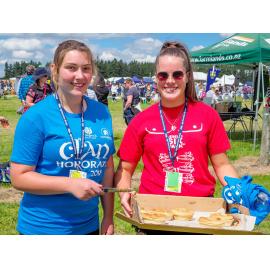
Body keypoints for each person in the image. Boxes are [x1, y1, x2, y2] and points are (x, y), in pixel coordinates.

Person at [114, 41, 239, 219]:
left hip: (199, 212)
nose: (170, 81)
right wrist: (124, 192)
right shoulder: (141, 120)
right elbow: (125, 169)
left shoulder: (208, 115)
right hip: (153, 212)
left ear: (187, 76)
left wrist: (238, 191)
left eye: (177, 75)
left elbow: (222, 164)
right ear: (156, 78)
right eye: (163, 75)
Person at [10, 40, 115, 235]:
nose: (80, 76)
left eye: (86, 68)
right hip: (43, 228)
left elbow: (107, 167)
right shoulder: (36, 116)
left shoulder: (102, 113)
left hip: (88, 226)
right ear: (55, 70)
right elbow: (18, 177)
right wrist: (69, 184)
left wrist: (108, 216)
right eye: (71, 68)